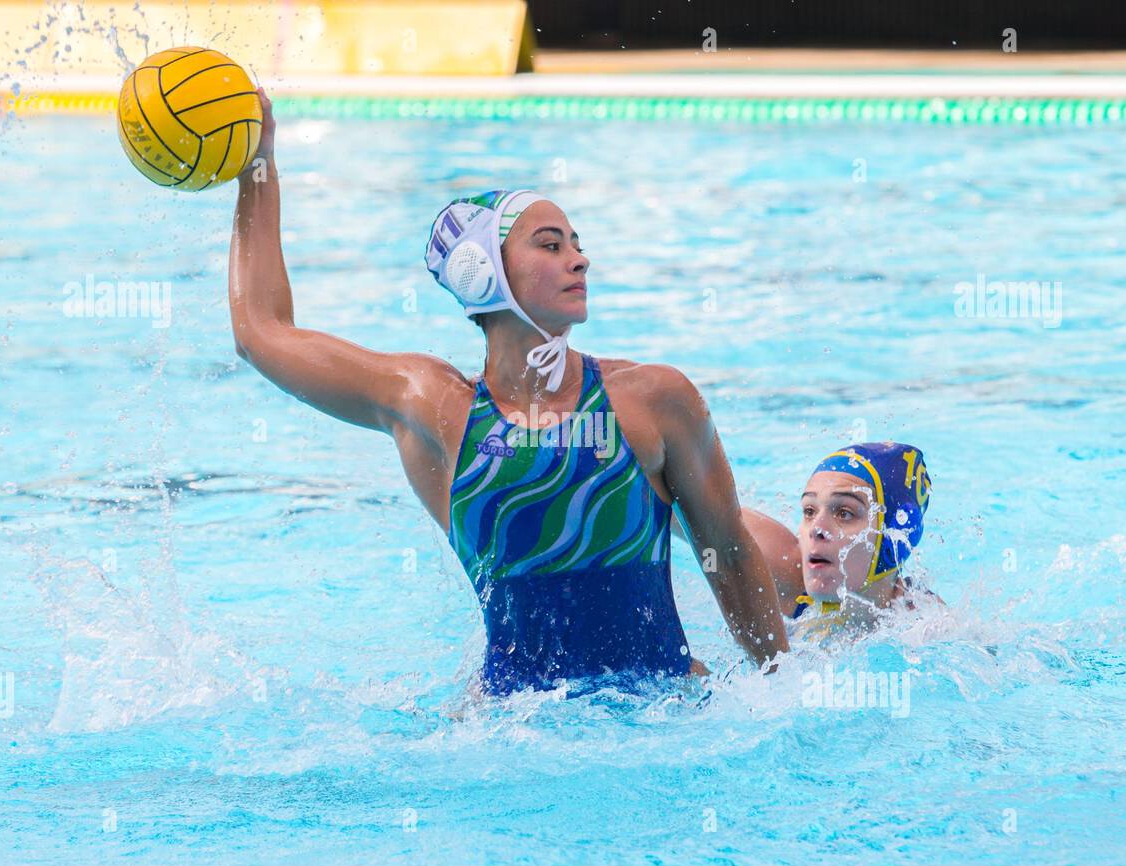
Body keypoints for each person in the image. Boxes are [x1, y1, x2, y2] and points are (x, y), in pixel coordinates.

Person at [227, 90, 788, 694]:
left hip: (663, 712)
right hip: (507, 734)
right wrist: (258, 166)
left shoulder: (652, 399)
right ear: (481, 271)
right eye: (551, 245)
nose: (581, 260)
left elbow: (729, 557)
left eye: (576, 243)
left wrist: (784, 695)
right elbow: (261, 334)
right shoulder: (434, 408)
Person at [676, 441, 940, 636]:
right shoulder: (783, 568)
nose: (817, 528)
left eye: (844, 513)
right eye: (809, 511)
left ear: (893, 538)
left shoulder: (925, 625)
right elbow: (671, 500)